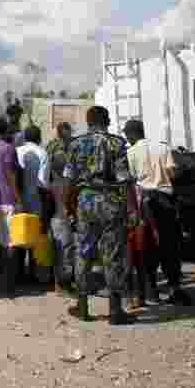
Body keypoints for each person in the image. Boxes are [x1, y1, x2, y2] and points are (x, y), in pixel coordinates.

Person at [63, 105, 135, 325]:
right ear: (107, 121)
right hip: (111, 201)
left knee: (83, 252)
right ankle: (115, 311)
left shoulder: (76, 144)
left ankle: (83, 306)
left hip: (85, 201)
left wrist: (69, 206)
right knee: (112, 254)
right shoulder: (117, 143)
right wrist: (132, 208)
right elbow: (124, 179)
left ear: (88, 121)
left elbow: (69, 179)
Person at [123, 119, 193, 307]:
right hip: (165, 201)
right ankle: (174, 289)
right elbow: (172, 174)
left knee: (145, 247)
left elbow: (129, 181)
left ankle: (151, 291)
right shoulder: (163, 148)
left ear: (130, 134)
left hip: (143, 203)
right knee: (169, 246)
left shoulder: (130, 153)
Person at [0, 117, 24, 297]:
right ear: (6, 132)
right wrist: (19, 198)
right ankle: (8, 284)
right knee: (10, 242)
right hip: (8, 200)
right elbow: (11, 174)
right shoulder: (9, 149)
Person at [17, 125, 51, 282]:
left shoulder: (18, 151)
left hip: (19, 199)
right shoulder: (42, 153)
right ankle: (33, 273)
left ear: (25, 137)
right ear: (39, 138)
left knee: (19, 234)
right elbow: (43, 183)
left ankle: (18, 273)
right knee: (35, 235)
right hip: (36, 198)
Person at [46, 122, 76, 294]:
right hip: (59, 209)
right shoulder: (54, 148)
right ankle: (61, 282)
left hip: (64, 208)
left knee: (66, 246)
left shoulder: (70, 145)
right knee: (63, 245)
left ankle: (64, 280)